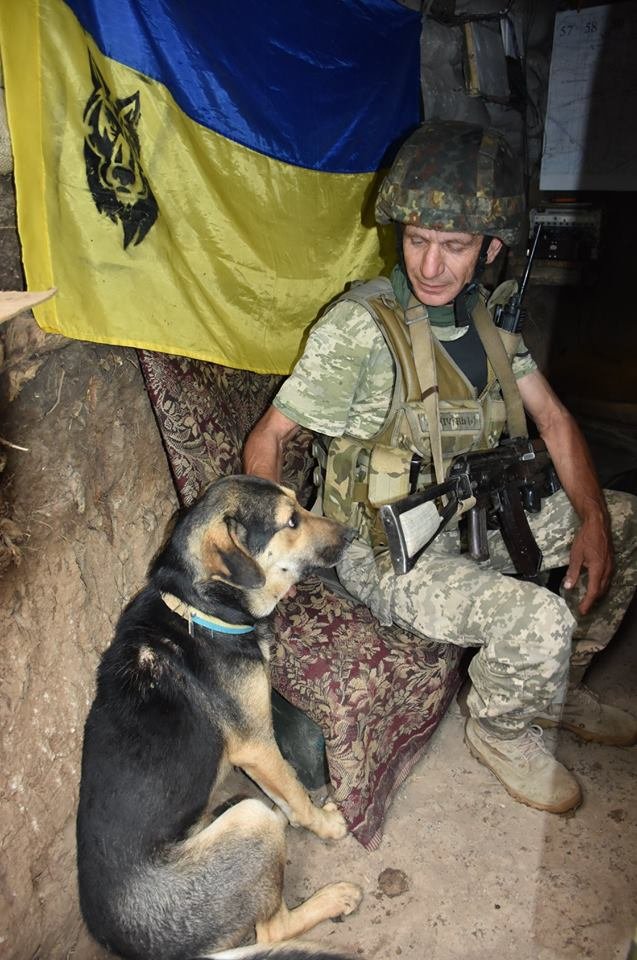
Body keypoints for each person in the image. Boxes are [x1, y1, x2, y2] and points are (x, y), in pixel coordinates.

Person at [243, 120, 637, 814]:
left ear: (489, 249)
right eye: (417, 241)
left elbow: (553, 421)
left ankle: (554, 689)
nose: (429, 266)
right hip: (385, 549)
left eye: (453, 247)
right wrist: (272, 561)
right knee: (537, 616)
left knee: (627, 523)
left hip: (475, 519)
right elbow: (270, 438)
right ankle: (499, 730)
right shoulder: (360, 327)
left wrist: (594, 521)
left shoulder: (487, 322)